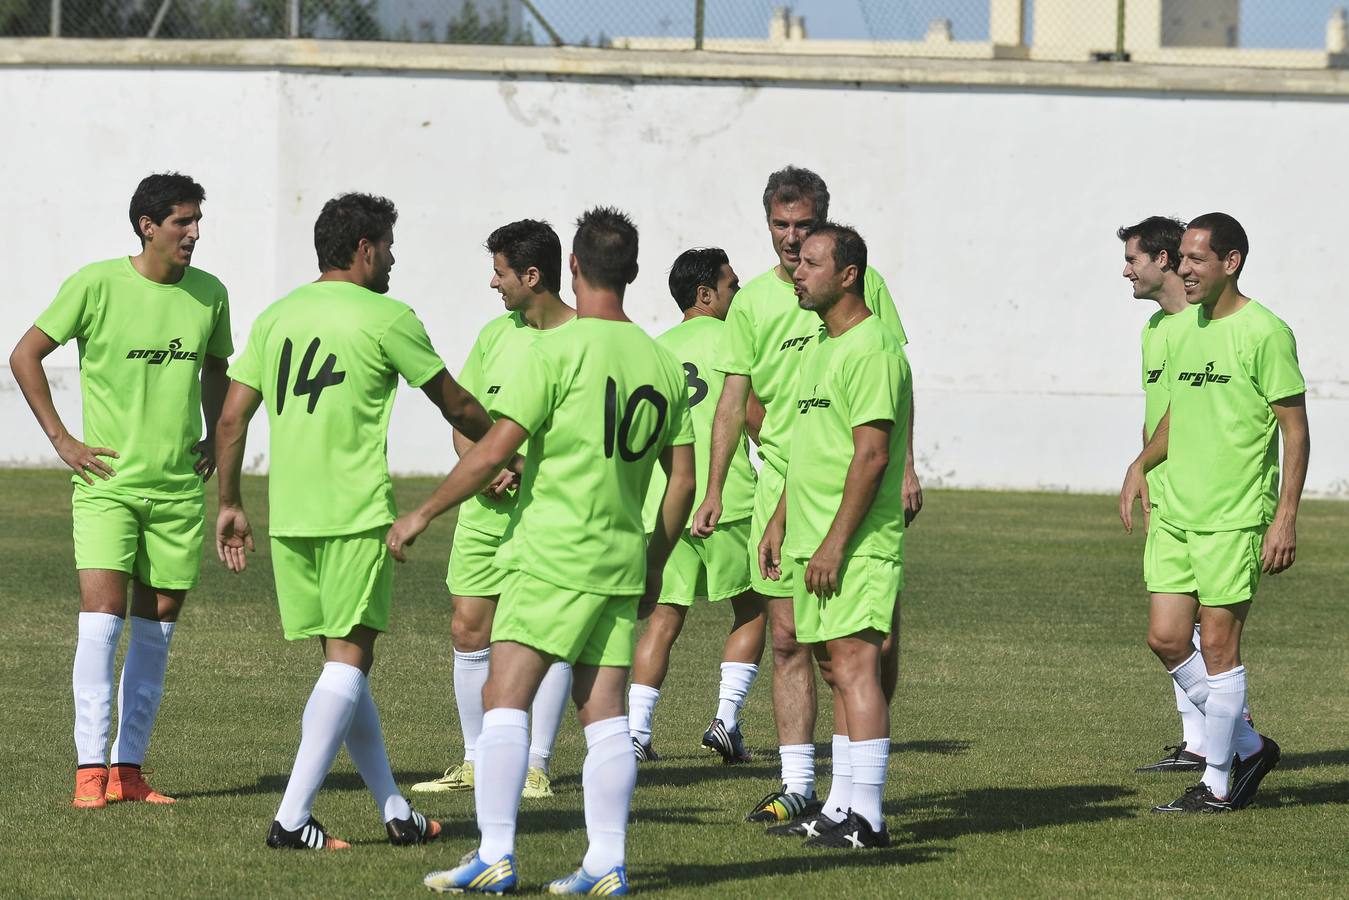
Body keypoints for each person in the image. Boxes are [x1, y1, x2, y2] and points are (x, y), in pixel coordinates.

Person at [388, 207, 695, 895]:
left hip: (554, 553)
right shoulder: (661, 361)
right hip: (619, 558)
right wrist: (654, 557)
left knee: (504, 694)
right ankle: (606, 863)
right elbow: (684, 477)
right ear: (635, 272)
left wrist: (423, 512)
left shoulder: (556, 352)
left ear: (576, 269)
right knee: (603, 711)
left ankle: (494, 853)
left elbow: (494, 449)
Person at [213, 192, 493, 849]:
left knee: (345, 667)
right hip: (355, 513)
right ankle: (291, 818)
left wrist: (229, 503)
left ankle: (395, 810)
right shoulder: (387, 316)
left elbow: (229, 419)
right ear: (365, 248)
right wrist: (505, 447)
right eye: (388, 246)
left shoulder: (277, 316)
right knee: (348, 664)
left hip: (291, 519)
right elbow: (453, 400)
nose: (392, 258)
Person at [691, 166, 916, 824]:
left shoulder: (861, 310)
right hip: (792, 493)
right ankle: (805, 788)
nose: (793, 247)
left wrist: (903, 467)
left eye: (804, 231)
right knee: (798, 645)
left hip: (849, 500)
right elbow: (739, 402)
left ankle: (856, 805)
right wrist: (731, 493)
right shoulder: (775, 308)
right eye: (781, 228)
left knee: (856, 656)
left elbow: (885, 410)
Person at [10, 172, 231, 809]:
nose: (194, 233)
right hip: (106, 486)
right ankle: (88, 772)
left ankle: (129, 771)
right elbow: (26, 354)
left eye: (197, 221)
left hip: (178, 492)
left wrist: (217, 435)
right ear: (147, 226)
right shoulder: (95, 283)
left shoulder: (210, 294)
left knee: (155, 635)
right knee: (101, 628)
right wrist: (63, 442)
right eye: (183, 222)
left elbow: (218, 368)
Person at [1120, 212, 1309, 813]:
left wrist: (1284, 517)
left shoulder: (1266, 332)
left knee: (1221, 649)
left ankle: (1218, 781)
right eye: (1182, 258)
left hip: (1233, 514)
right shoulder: (1181, 328)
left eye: (1197, 258)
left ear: (1231, 263)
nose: (1184, 268)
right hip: (1177, 511)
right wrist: (1140, 464)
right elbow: (1178, 410)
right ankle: (1249, 745)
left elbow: (1296, 430)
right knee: (1167, 638)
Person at [411, 220, 576, 800]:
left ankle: (535, 763)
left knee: (546, 635)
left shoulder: (582, 339)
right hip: (484, 510)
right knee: (467, 628)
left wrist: (520, 468)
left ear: (533, 276)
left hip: (547, 516)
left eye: (501, 272)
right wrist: (485, 466)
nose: (493, 283)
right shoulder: (494, 334)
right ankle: (477, 758)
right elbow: (465, 417)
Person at [758, 224, 909, 849]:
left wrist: (835, 544)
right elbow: (811, 450)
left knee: (855, 668)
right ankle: (842, 806)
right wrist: (781, 521)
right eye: (797, 262)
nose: (797, 269)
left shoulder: (873, 348)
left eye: (812, 262)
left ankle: (868, 818)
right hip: (811, 539)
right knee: (832, 668)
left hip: (855, 545)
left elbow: (871, 457)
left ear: (848, 275)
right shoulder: (822, 344)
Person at [628, 248, 765, 764]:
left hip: (667, 504)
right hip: (729, 501)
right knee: (752, 608)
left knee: (664, 617)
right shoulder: (735, 343)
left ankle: (637, 731)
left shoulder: (655, 350)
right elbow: (754, 420)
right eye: (731, 285)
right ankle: (726, 720)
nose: (738, 293)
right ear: (705, 294)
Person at [1119, 215, 1211, 774]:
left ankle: (1231, 733)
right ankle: (1200, 740)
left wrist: (1139, 465)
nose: (1125, 270)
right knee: (1179, 627)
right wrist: (1148, 476)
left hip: (1208, 495)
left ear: (1162, 260)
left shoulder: (1204, 326)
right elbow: (1155, 415)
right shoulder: (1155, 329)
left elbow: (1188, 417)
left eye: (1133, 259)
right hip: (1166, 491)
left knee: (1201, 626)